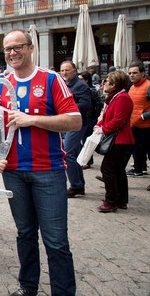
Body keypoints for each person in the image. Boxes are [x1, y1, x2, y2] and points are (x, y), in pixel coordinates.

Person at [0, 29, 81, 296]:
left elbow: (75, 120)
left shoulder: (50, 79)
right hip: (13, 173)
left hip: (48, 172)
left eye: (18, 47)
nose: (12, 53)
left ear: (30, 48)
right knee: (25, 235)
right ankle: (28, 287)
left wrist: (33, 119)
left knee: (56, 242)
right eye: (8, 49)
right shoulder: (1, 82)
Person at [94, 71, 135, 212]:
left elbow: (118, 120)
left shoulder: (122, 98)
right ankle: (121, 200)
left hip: (120, 139)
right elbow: (108, 117)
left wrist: (103, 128)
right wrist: (99, 125)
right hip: (119, 138)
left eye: (107, 81)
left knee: (107, 168)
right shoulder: (115, 97)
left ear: (114, 84)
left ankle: (111, 201)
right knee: (117, 170)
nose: (104, 83)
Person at [126, 61, 150, 191]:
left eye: (135, 73)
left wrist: (144, 116)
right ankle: (117, 175)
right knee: (129, 151)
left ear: (142, 73)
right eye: (130, 73)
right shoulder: (132, 87)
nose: (132, 75)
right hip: (134, 126)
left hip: (149, 128)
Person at [60, 61, 91, 198]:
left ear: (74, 71)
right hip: (68, 123)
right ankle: (79, 185)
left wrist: (66, 109)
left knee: (67, 154)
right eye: (62, 70)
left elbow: (85, 104)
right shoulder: (65, 85)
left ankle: (76, 185)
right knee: (74, 154)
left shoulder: (81, 86)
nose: (64, 73)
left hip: (77, 123)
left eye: (67, 70)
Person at [79, 71, 103, 169]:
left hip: (90, 119)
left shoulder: (91, 91)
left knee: (86, 141)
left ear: (86, 80)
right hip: (82, 118)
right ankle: (83, 160)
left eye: (81, 79)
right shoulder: (79, 90)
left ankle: (88, 161)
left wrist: (95, 115)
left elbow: (99, 104)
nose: (79, 81)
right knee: (82, 140)